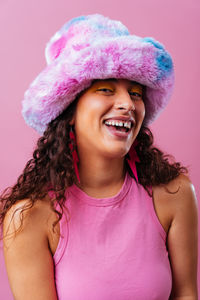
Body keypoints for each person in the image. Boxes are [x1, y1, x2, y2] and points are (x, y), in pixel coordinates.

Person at [0, 14, 198, 300]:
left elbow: (186, 294)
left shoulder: (173, 194)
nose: (127, 104)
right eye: (105, 89)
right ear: (69, 110)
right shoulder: (30, 218)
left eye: (135, 93)